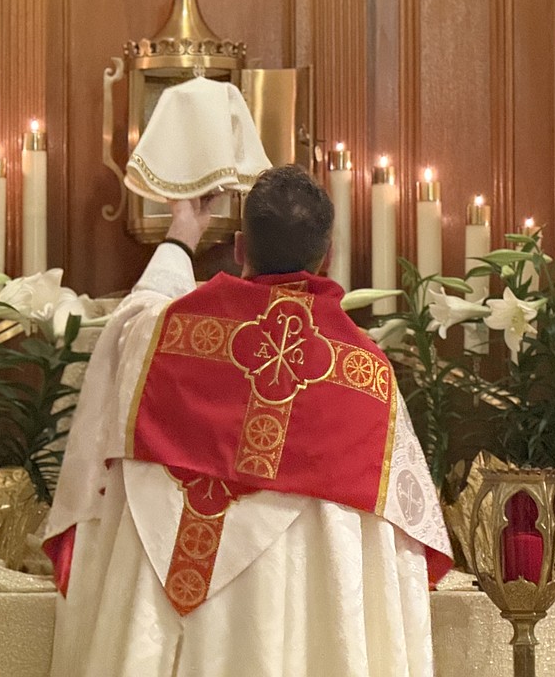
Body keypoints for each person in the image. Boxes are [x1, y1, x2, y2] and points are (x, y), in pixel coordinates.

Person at [43, 164, 452, 677]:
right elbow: (402, 557)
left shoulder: (158, 339)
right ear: (326, 257)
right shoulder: (365, 376)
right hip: (296, 629)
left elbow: (135, 312)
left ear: (239, 247)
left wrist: (181, 234)